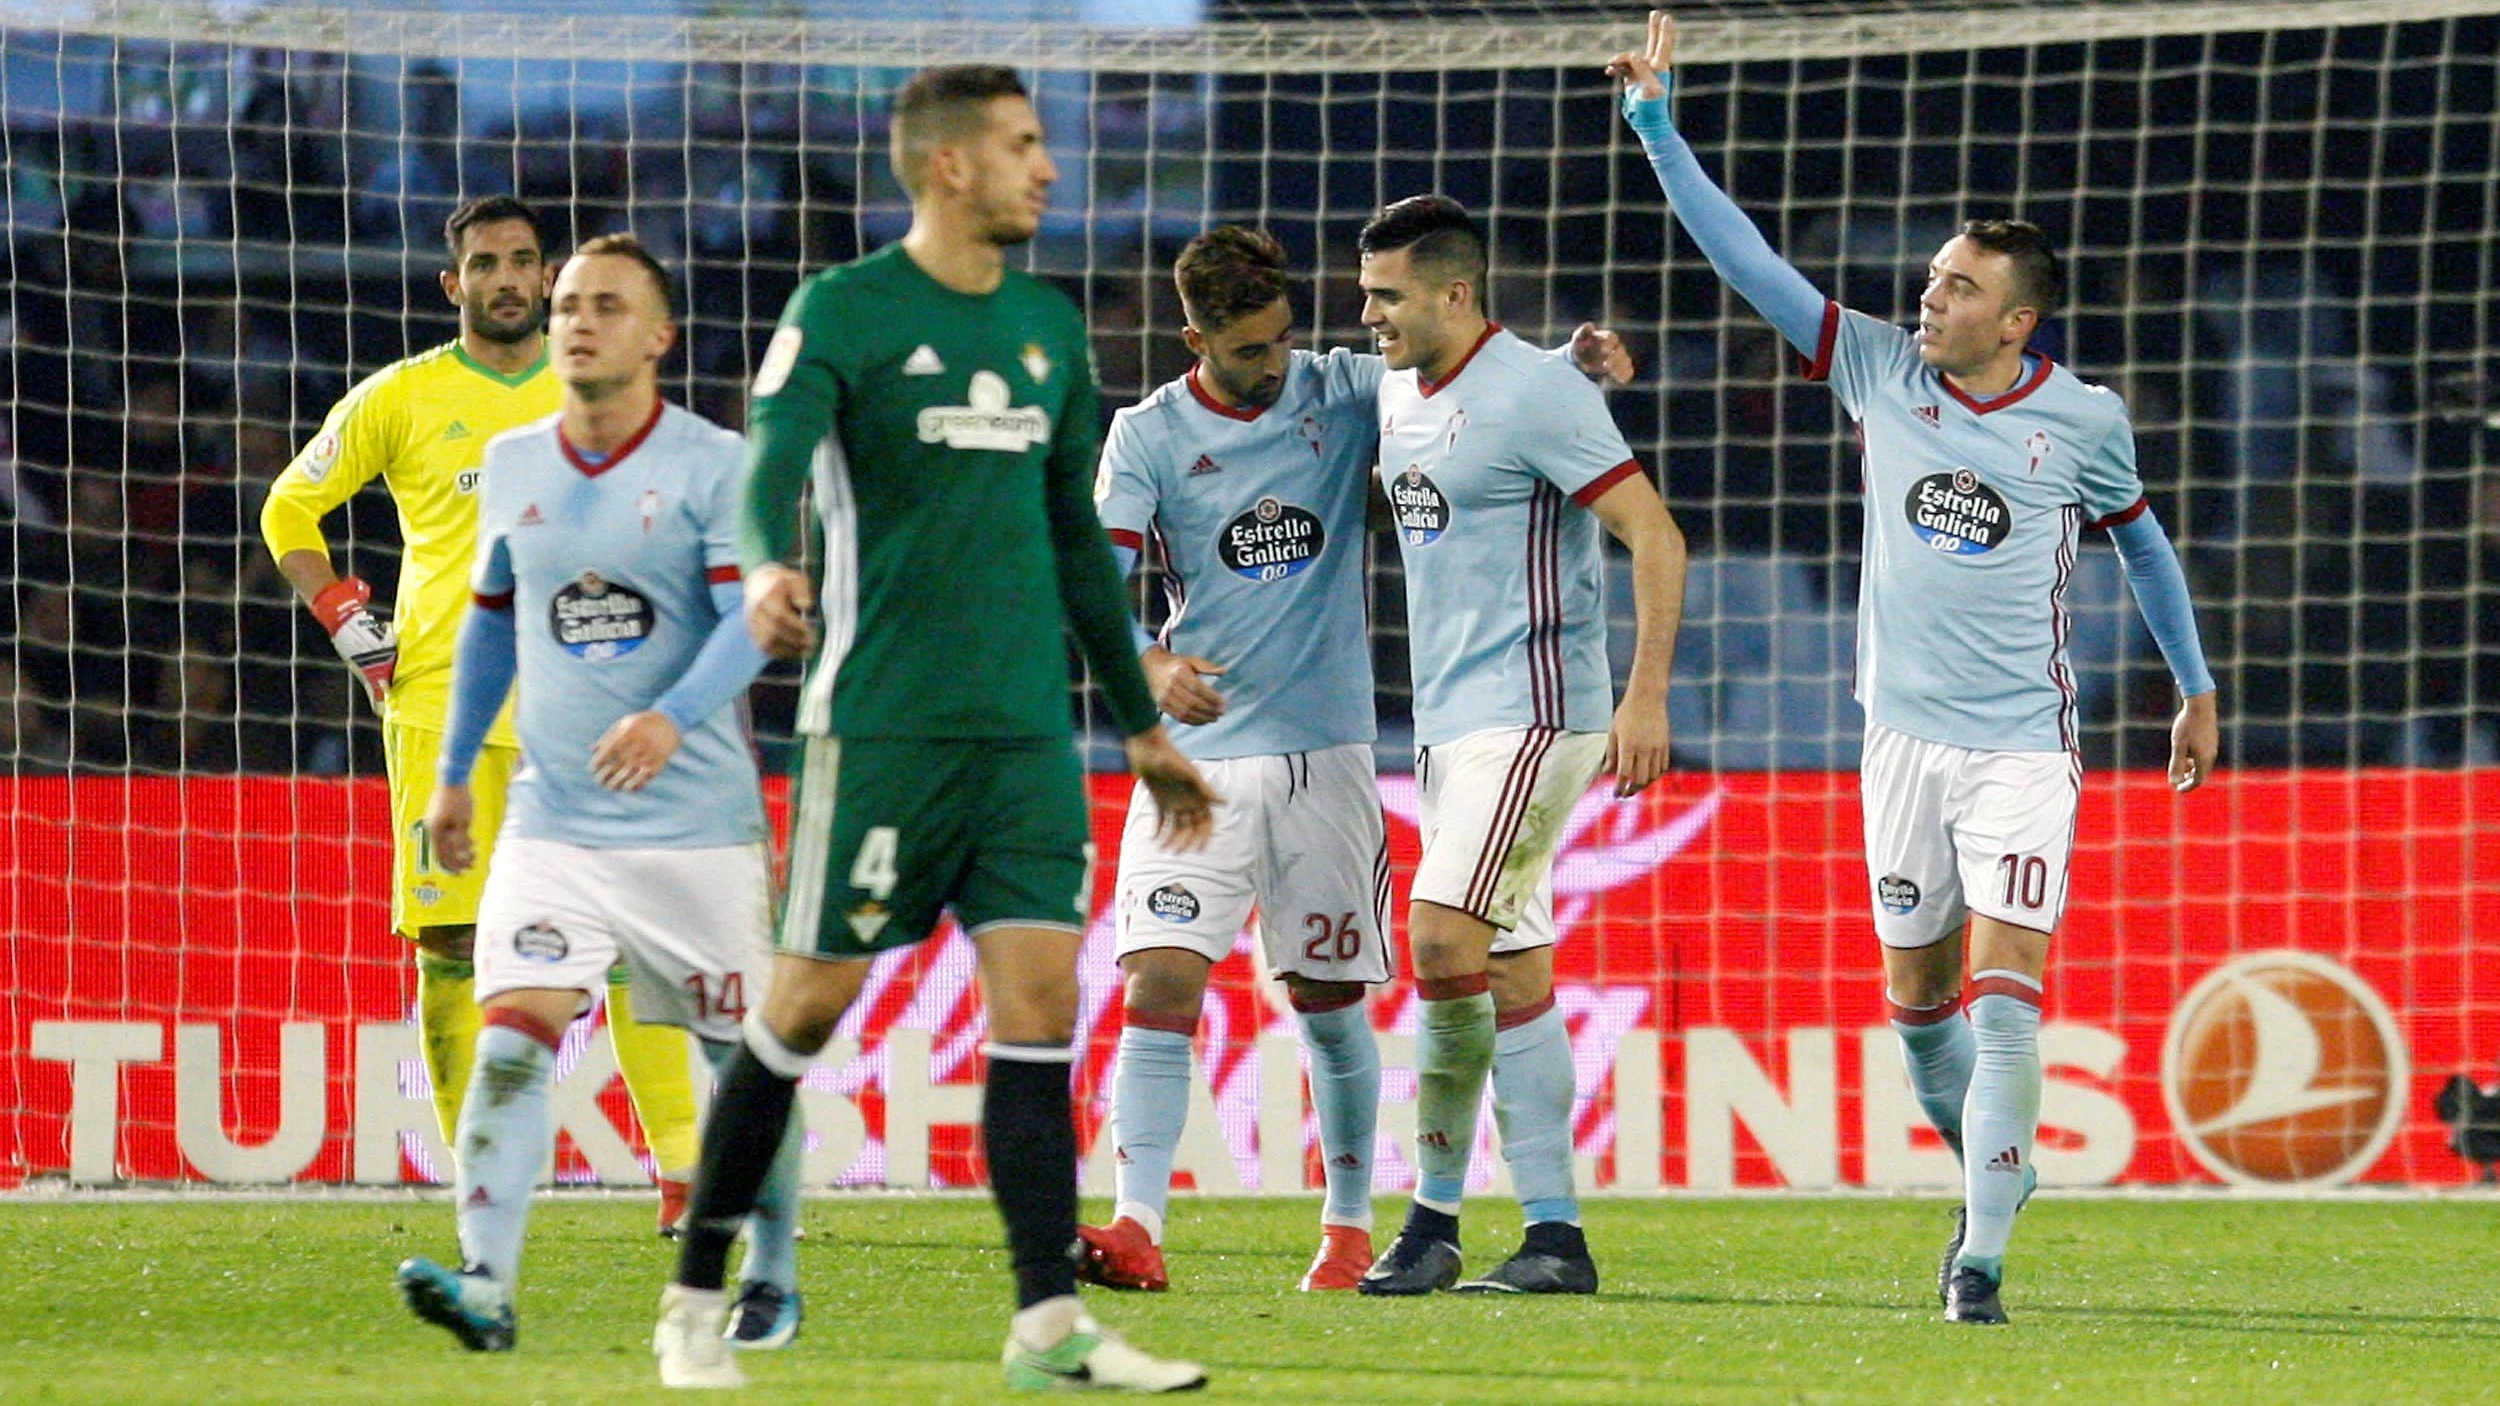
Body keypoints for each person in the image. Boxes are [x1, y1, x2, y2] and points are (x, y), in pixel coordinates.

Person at [1609, 11, 2222, 1325]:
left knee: (2005, 1005)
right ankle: (1990, 1170)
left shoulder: (2086, 419)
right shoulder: (1880, 369)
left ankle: (1981, 1260)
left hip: (2019, 750)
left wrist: (2196, 681)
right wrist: (1659, 130)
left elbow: (2146, 549)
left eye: (1956, 286)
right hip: (1897, 744)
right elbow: (1751, 266)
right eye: (1934, 278)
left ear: (2018, 319)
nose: (1928, 296)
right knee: (1920, 1011)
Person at [648, 65, 1217, 1393]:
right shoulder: (843, 310)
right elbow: (768, 467)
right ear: (949, 165)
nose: (1050, 169)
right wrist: (769, 568)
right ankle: (691, 1301)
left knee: (1037, 1009)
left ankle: (1046, 1326)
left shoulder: (1047, 328)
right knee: (802, 1007)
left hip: (1024, 738)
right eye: (1026, 146)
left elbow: (1076, 540)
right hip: (886, 730)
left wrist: (1134, 723)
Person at [1081, 225, 1634, 1295]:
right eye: (1246, 350)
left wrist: (1575, 365)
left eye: (1284, 338)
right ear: (1193, 335)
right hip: (1197, 758)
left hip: (1329, 753)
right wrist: (1144, 659)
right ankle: (1134, 1224)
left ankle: (1343, 1228)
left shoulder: (1338, 388)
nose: (1274, 363)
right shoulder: (1144, 435)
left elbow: (1471, 381)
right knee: (1157, 977)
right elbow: (1094, 579)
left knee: (1328, 1001)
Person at [258, 196, 707, 1230]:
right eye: (486, 264)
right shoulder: (402, 397)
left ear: (547, 277)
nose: (509, 279)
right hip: (441, 712)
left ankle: (684, 1169)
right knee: (458, 946)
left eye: (524, 261)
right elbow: (290, 506)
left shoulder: (600, 387)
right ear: (451, 284)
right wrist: (341, 612)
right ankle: (485, 1178)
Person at [395, 234, 803, 1354]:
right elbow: (490, 618)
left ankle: (772, 1269)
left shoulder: (717, 462)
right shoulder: (518, 461)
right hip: (552, 819)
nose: (577, 320)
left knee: (741, 1063)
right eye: (569, 303)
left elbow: (750, 619)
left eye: (606, 305)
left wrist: (673, 713)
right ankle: (486, 1279)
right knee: (517, 1033)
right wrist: (450, 776)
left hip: (694, 830)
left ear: (659, 336)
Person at [1352, 195, 1687, 1297]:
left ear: (1455, 291)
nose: (1369, 314)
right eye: (1363, 294)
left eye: (1387, 295)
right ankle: (1554, 1236)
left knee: (1441, 940)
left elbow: (1653, 531)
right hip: (1449, 725)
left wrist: (1644, 698)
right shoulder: (1397, 388)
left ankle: (1430, 1217)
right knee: (1507, 966)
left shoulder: (1539, 391)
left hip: (1540, 709)